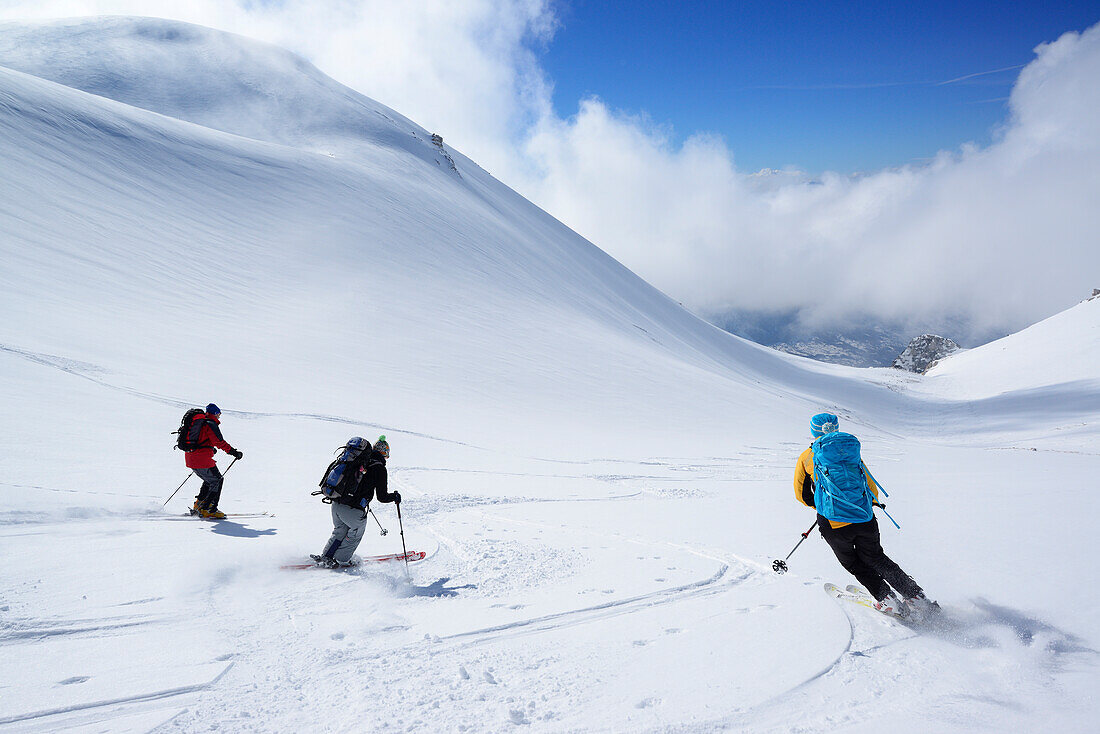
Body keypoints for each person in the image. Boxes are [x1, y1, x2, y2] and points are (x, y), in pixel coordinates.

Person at [794, 412, 936, 617]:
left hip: (834, 523)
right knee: (877, 558)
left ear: (813, 430)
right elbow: (869, 484)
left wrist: (822, 506)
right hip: (864, 517)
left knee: (853, 562)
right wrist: (867, 504)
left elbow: (801, 494)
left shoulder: (808, 457)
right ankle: (916, 597)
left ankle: (886, 599)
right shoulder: (850, 451)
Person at [312, 435, 401, 568]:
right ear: (385, 454)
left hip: (336, 503)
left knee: (340, 530)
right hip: (352, 510)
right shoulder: (379, 468)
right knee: (356, 532)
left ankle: (327, 556)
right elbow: (382, 497)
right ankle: (342, 560)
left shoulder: (358, 461)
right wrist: (395, 496)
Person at [184, 403, 243, 519]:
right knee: (217, 480)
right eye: (219, 414)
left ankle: (199, 505)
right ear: (215, 414)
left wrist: (210, 449)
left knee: (210, 480)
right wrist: (234, 452)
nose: (219, 417)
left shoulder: (201, 423)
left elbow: (203, 441)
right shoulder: (210, 424)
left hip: (191, 458)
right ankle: (209, 509)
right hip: (201, 460)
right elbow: (219, 442)